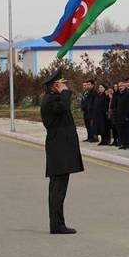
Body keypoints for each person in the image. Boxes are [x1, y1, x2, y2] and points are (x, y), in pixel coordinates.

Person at [40, 68, 84, 234]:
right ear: (55, 86)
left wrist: (63, 93)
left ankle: (58, 223)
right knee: (58, 189)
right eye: (62, 84)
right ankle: (57, 225)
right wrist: (65, 93)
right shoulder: (51, 101)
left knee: (57, 188)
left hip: (59, 148)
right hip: (58, 149)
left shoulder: (52, 99)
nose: (65, 86)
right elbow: (64, 106)